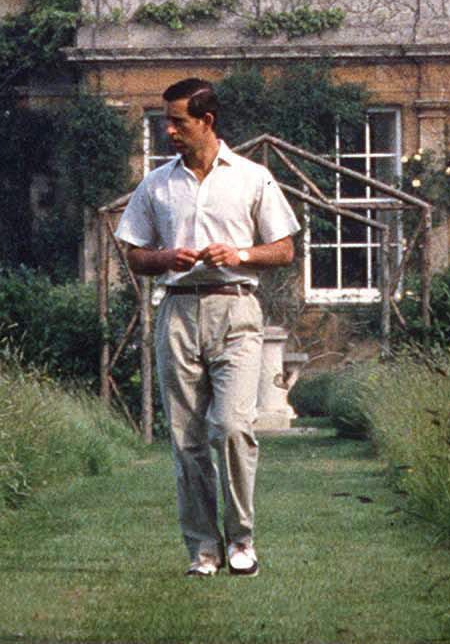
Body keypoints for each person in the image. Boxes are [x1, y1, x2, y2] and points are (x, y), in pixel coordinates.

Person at [114, 76, 300, 577]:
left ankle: (241, 540)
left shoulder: (252, 177)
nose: (169, 131)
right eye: (166, 122)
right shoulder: (156, 184)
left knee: (234, 426)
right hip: (176, 312)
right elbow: (132, 254)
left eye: (178, 122)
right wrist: (165, 256)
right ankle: (203, 549)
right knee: (187, 438)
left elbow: (283, 249)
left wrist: (238, 253)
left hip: (236, 309)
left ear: (207, 121)